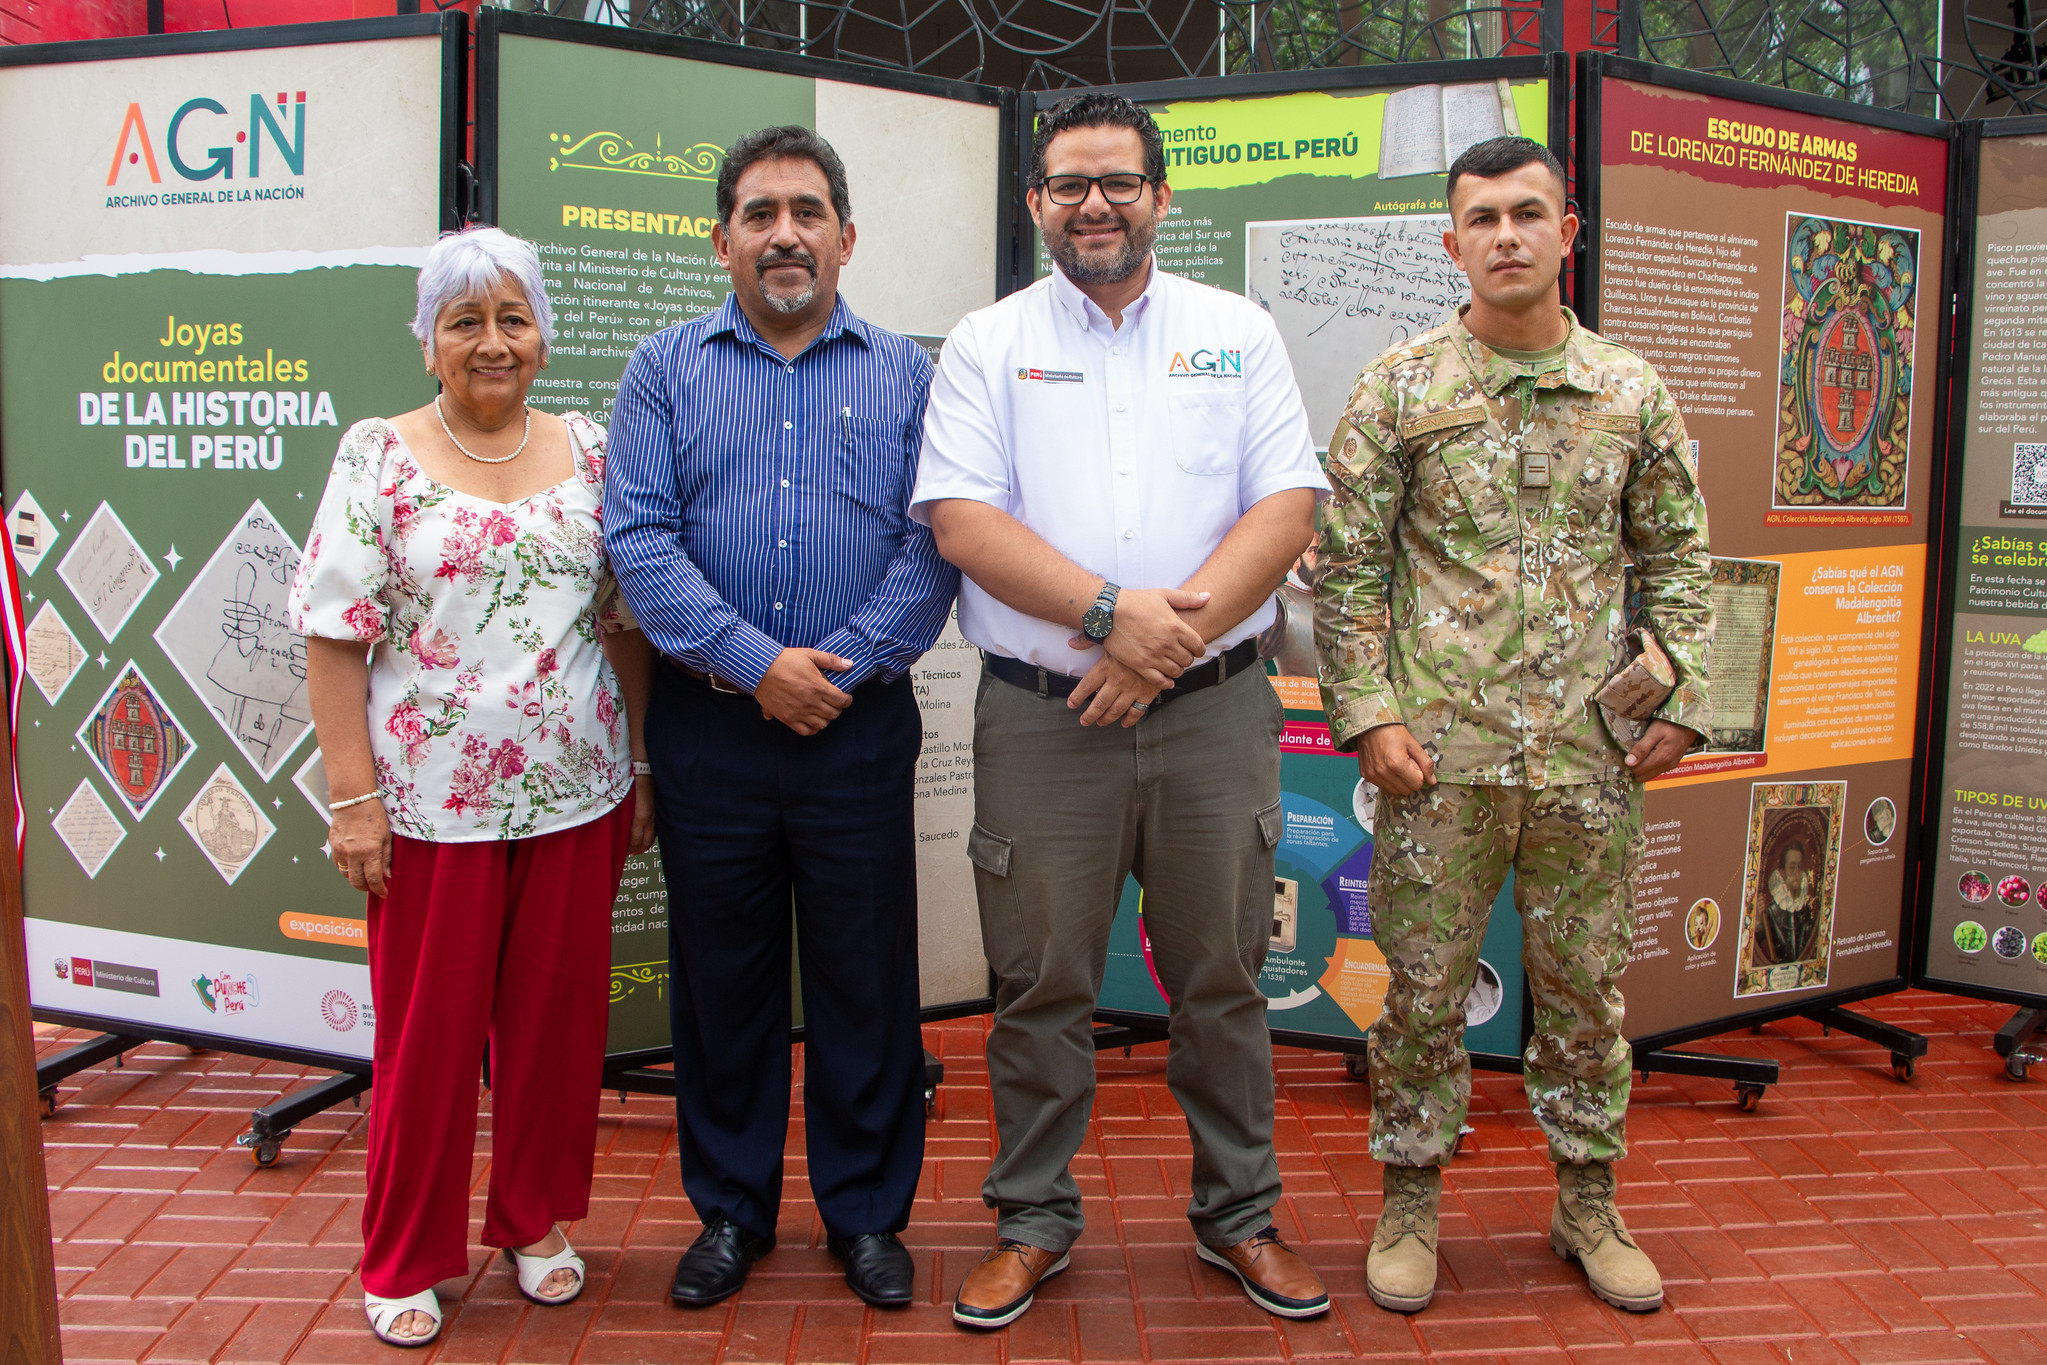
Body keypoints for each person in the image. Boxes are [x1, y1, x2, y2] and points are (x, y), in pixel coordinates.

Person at [914, 92, 1332, 1330]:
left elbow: (1286, 511)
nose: (1093, 203)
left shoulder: (1235, 330)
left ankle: (1238, 1217)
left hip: (1210, 714)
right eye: (1068, 185)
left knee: (1224, 977)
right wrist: (1113, 617)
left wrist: (1163, 647)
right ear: (1036, 203)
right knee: (1038, 980)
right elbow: (962, 521)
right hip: (1044, 721)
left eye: (1117, 181)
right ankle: (1032, 1221)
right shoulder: (986, 342)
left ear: (1161, 195)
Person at [1316, 134, 1714, 1317]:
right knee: (1425, 994)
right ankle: (1409, 1199)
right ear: (1452, 243)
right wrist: (1368, 717)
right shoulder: (1397, 388)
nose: (1505, 235)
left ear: (1566, 232)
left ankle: (1586, 1201)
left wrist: (1684, 698)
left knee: (1586, 992)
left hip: (1592, 760)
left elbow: (1682, 563)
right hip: (1440, 760)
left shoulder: (1631, 391)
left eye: (1527, 213)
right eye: (1481, 217)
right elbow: (1346, 574)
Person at [604, 125, 957, 1311]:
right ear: (722, 239)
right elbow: (639, 543)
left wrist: (837, 671)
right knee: (723, 982)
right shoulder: (662, 370)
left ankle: (865, 1217)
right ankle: (731, 1212)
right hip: (713, 728)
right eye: (759, 214)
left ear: (846, 237)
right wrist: (760, 667)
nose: (784, 233)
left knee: (866, 980)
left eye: (807, 211)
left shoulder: (909, 372)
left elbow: (935, 542)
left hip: (856, 725)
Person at [292, 226, 656, 1349]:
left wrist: (638, 764)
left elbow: (622, 620)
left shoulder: (594, 449)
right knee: (429, 1040)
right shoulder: (378, 455)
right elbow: (332, 636)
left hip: (578, 792)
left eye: (512, 319)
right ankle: (404, 1253)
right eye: (465, 322)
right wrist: (352, 803)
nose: (491, 343)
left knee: (552, 1031)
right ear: (428, 344)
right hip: (427, 806)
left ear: (542, 338)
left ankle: (534, 1221)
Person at [1759, 842, 1818, 964]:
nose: (1797, 873)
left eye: (1799, 866)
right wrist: (1758, 921)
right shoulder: (1770, 911)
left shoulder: (1806, 909)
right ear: (1782, 872)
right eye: (1792, 867)